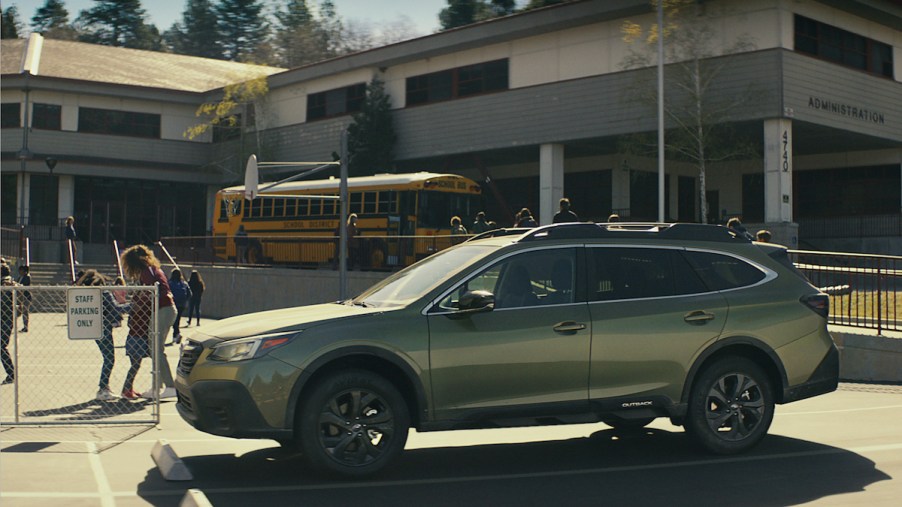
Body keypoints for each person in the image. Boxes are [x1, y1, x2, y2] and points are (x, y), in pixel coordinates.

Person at [119, 244, 178, 400]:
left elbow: (151, 293)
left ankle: (170, 386)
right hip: (164, 309)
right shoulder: (152, 270)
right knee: (155, 349)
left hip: (163, 309)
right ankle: (157, 387)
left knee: (156, 349)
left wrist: (138, 300)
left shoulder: (148, 272)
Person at [76, 270, 129, 401]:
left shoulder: (89, 295)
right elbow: (116, 308)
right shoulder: (104, 293)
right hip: (105, 328)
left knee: (108, 357)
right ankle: (103, 388)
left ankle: (104, 387)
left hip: (95, 328)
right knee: (110, 358)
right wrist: (133, 306)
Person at [1, 264, 16, 385]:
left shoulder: (6, 282)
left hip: (5, 319)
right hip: (6, 318)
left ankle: (11, 373)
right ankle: (10, 373)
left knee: (1, 346)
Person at [168, 268, 191, 344]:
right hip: (182, 304)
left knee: (174, 320)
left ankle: (176, 335)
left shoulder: (170, 283)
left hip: (173, 303)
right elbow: (190, 294)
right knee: (177, 320)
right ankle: (176, 335)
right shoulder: (184, 283)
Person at [17, 265, 31, 332]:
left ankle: (26, 326)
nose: (19, 271)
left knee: (25, 311)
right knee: (20, 311)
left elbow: (25, 285)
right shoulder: (19, 277)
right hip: (19, 296)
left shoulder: (27, 277)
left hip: (26, 296)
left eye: (21, 270)